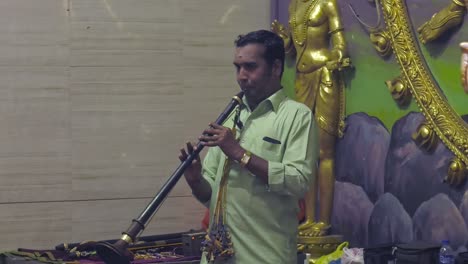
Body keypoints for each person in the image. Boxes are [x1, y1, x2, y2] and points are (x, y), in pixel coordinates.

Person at [179, 29, 319, 264]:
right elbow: (212, 197)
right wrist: (195, 181)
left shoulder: (297, 116)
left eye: (250, 67)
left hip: (266, 257)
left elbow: (299, 182)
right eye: (237, 67)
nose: (241, 76)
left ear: (275, 68)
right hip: (217, 257)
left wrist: (239, 153)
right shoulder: (230, 114)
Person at [271, 0, 350, 237]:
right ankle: (310, 217)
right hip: (302, 78)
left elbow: (341, 46)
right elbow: (293, 52)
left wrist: (336, 57)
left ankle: (323, 221)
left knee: (324, 152)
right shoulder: (294, 6)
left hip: (325, 75)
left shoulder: (327, 3)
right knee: (306, 152)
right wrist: (285, 41)